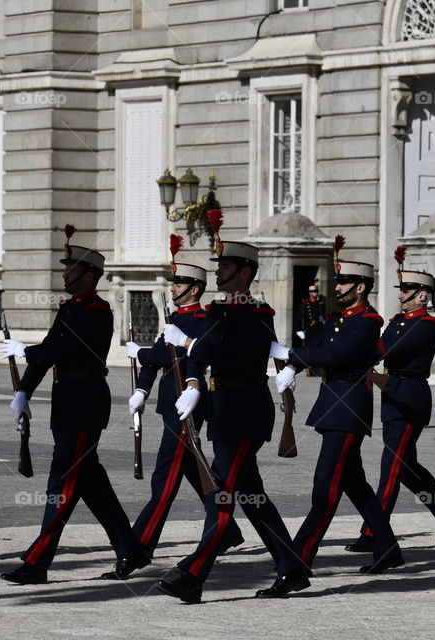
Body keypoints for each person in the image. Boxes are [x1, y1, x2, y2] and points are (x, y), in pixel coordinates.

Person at [156, 223, 304, 604]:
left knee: (223, 494)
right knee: (251, 495)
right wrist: (193, 380)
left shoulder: (255, 313)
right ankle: (292, 567)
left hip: (244, 413)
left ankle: (192, 573)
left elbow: (228, 355)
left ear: (246, 272)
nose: (217, 272)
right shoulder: (222, 310)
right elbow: (205, 353)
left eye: (225, 267)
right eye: (218, 266)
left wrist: (189, 343)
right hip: (224, 411)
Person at [0, 226, 145, 585]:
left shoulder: (97, 311)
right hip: (67, 402)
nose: (64, 274)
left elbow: (67, 351)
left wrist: (25, 350)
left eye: (71, 268)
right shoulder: (69, 309)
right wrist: (24, 392)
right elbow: (48, 353)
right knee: (91, 484)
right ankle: (130, 548)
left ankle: (37, 562)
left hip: (85, 403)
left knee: (61, 483)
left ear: (89, 274)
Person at [269, 245, 404, 586]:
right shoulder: (340, 318)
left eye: (344, 282)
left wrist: (293, 357)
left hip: (348, 407)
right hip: (333, 403)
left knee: (325, 488)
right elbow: (317, 343)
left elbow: (337, 354)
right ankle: (387, 548)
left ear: (361, 287)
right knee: (354, 484)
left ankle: (298, 563)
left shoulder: (368, 321)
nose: (338, 287)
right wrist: (296, 360)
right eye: (337, 281)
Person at [123, 236, 243, 570]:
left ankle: (140, 547)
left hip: (186, 404)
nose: (173, 288)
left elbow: (168, 354)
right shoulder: (176, 319)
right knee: (194, 469)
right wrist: (142, 391)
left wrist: (143, 352)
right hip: (169, 402)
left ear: (194, 288)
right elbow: (155, 361)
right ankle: (227, 529)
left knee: (165, 477)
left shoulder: (202, 321)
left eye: (179, 283)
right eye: (174, 282)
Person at [344, 260, 435, 554]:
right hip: (392, 395)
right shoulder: (399, 322)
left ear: (422, 296)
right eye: (402, 291)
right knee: (407, 468)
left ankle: (375, 531)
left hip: (410, 396)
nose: (400, 296)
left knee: (391, 468)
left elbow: (389, 349)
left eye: (407, 291)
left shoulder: (426, 325)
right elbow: (380, 348)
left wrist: (358, 355)